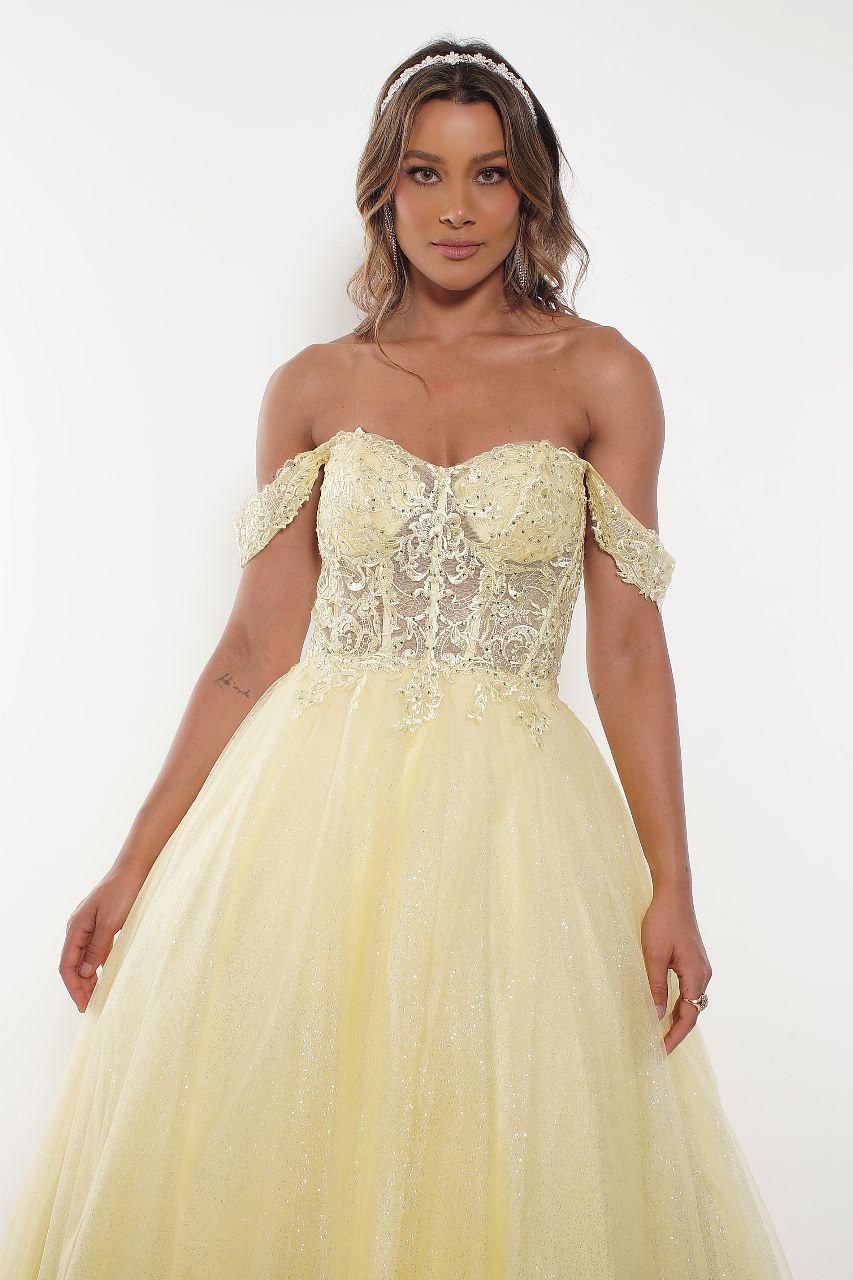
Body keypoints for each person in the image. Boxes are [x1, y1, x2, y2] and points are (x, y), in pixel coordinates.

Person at [0, 36, 794, 1279]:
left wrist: (672, 881)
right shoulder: (313, 386)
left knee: (501, 1132)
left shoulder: (600, 373)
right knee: (292, 1132)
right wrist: (133, 860)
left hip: (515, 829)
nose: (455, 208)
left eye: (488, 174)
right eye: (425, 173)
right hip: (308, 819)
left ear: (529, 191)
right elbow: (252, 646)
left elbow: (629, 648)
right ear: (384, 189)